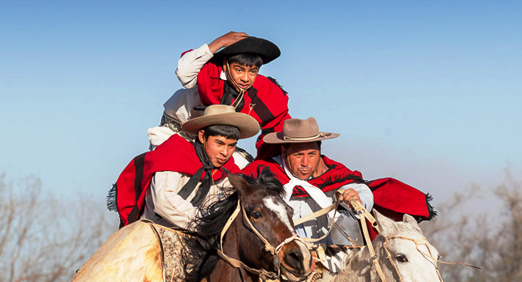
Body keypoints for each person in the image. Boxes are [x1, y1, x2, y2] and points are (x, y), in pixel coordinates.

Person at [111, 104, 260, 229]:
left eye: (232, 146)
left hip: (200, 237)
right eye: (219, 143)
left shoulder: (231, 174)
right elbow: (163, 201)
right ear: (202, 137)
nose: (225, 152)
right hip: (153, 231)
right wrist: (205, 222)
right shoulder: (174, 154)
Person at [149, 32, 290, 162]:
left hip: (217, 144)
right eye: (239, 70)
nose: (246, 78)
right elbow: (183, 72)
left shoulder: (263, 90)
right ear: (225, 65)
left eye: (252, 71)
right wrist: (220, 42)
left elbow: (279, 123)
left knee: (247, 170)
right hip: (176, 133)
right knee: (167, 163)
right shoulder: (209, 70)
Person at [242, 117, 374, 247]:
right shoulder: (263, 172)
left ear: (319, 151)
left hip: (323, 253)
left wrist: (358, 200)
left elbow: (361, 190)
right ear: (284, 152)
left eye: (311, 154)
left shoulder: (330, 173)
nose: (305, 163)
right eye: (298, 155)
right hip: (277, 255)